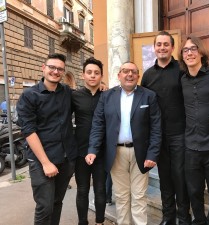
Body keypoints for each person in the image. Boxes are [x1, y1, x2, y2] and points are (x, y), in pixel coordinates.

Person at [85, 62, 162, 225]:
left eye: (133, 72)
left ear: (138, 76)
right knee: (121, 196)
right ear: (119, 75)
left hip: (140, 154)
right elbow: (98, 124)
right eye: (125, 71)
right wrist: (92, 149)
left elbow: (156, 128)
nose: (129, 74)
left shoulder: (149, 96)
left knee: (139, 196)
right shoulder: (107, 96)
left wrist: (152, 154)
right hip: (116, 153)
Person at [16, 53, 77, 225]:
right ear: (44, 68)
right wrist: (45, 162)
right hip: (42, 160)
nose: (55, 71)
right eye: (52, 67)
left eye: (60, 69)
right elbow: (29, 131)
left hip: (66, 159)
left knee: (57, 203)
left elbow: (86, 98)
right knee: (45, 206)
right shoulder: (29, 96)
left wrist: (100, 88)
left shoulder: (67, 92)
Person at [141, 30, 191, 225]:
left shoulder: (182, 69)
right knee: (165, 180)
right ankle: (168, 218)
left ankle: (184, 218)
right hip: (157, 137)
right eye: (158, 44)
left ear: (172, 47)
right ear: (154, 48)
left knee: (180, 178)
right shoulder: (147, 75)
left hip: (180, 134)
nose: (162, 47)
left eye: (166, 44)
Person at [178, 36, 209, 225]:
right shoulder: (182, 80)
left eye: (193, 48)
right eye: (185, 50)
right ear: (182, 55)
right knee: (194, 191)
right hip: (191, 146)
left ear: (201, 52)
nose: (189, 52)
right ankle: (199, 221)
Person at [72, 57, 106, 225]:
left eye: (97, 73)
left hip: (101, 151)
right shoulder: (74, 96)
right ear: (83, 75)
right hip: (81, 151)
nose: (93, 76)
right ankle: (82, 222)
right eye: (89, 72)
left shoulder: (107, 96)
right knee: (82, 190)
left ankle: (100, 222)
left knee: (100, 190)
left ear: (101, 76)